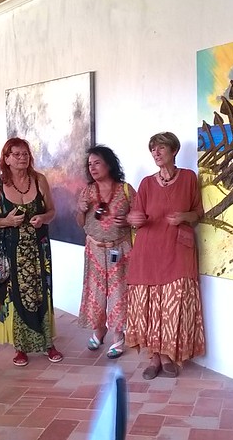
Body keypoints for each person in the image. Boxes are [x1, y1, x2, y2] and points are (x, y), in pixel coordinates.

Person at [126, 132, 206, 380]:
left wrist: (183, 216)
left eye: (161, 148)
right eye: (153, 149)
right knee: (151, 305)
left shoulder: (189, 178)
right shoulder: (146, 184)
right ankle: (154, 357)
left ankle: (168, 356)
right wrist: (134, 219)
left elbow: (198, 213)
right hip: (149, 250)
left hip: (178, 249)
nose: (156, 153)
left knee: (173, 304)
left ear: (174, 151)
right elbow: (136, 217)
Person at [0, 137, 64, 367]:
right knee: (16, 295)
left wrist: (43, 218)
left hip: (38, 250)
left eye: (25, 154)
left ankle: (48, 343)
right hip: (10, 252)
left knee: (42, 293)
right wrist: (6, 221)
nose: (22, 158)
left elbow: (52, 211)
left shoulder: (39, 180)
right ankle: (21, 347)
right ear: (6, 159)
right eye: (16, 154)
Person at [76, 146, 136, 359]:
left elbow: (139, 216)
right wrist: (80, 209)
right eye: (90, 164)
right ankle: (99, 330)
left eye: (97, 163)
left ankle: (118, 337)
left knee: (119, 293)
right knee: (96, 293)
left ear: (109, 164)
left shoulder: (125, 189)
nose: (92, 168)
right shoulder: (87, 191)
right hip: (94, 249)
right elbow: (80, 223)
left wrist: (127, 220)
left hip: (120, 248)